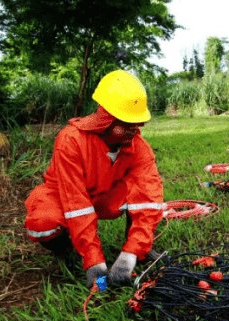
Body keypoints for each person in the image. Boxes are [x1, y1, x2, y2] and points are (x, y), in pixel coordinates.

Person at [24, 70, 164, 288]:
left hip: (106, 193)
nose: (137, 129)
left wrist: (131, 254)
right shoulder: (71, 140)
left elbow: (148, 201)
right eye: (127, 123)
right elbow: (75, 204)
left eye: (137, 123)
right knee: (42, 223)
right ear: (106, 120)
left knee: (141, 198)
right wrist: (94, 261)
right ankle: (67, 251)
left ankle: (137, 249)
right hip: (64, 195)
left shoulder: (139, 147)